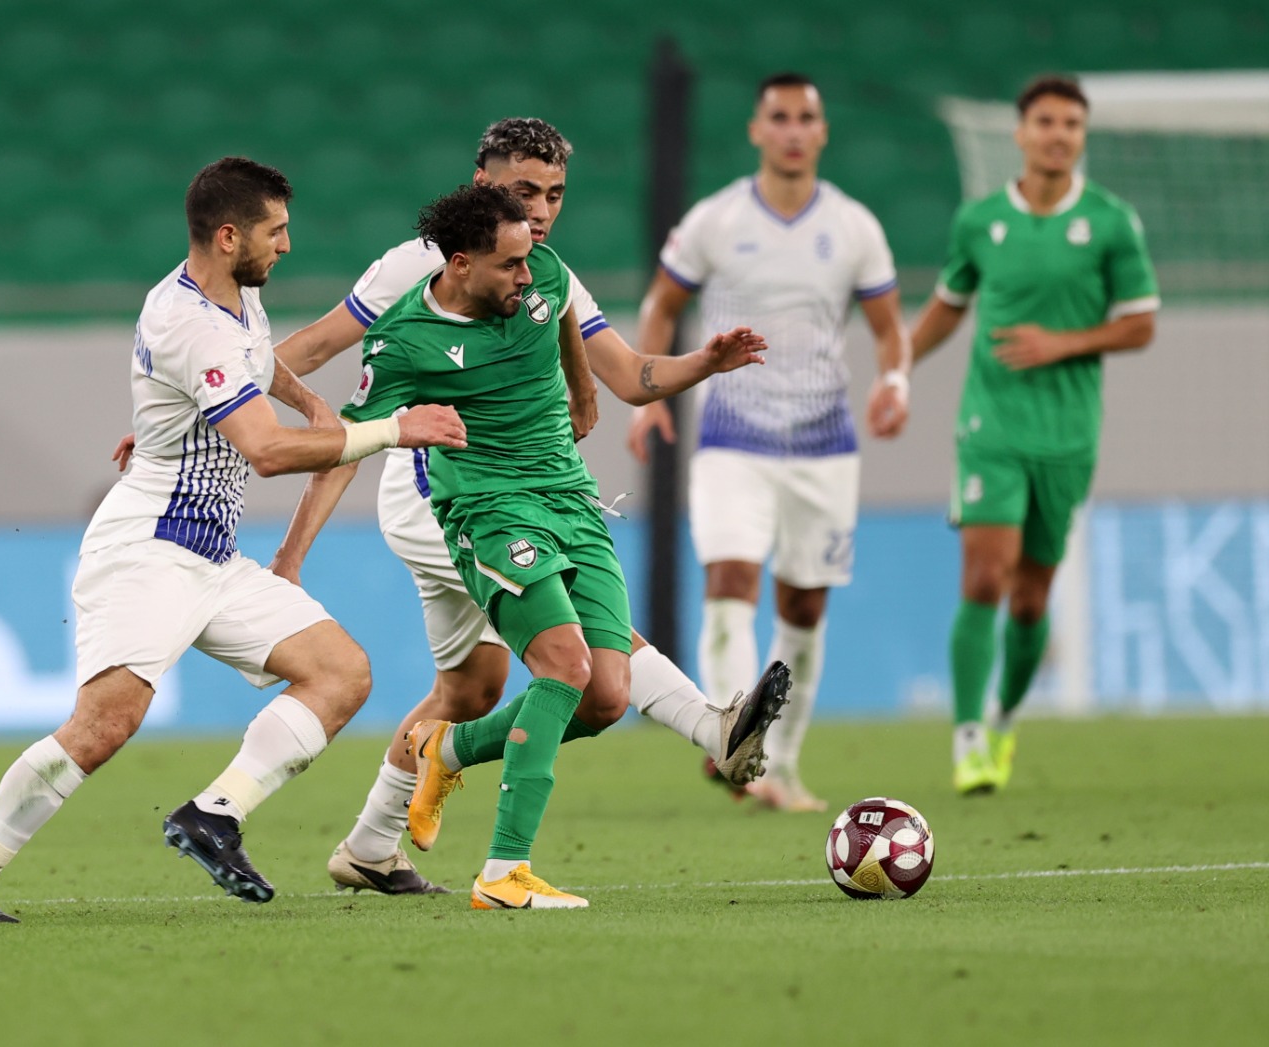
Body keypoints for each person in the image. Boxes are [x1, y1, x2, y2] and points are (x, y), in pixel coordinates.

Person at [0, 157, 466, 923]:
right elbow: (265, 451)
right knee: (103, 725)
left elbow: (257, 365)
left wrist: (309, 403)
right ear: (228, 235)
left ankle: (215, 813)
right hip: (148, 549)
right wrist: (391, 430)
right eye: (275, 232)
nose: (286, 246)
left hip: (211, 554)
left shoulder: (235, 299)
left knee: (340, 672)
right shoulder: (190, 325)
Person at [261, 118, 791, 895]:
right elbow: (316, 354)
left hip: (539, 487)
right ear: (482, 184)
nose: (540, 212)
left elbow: (617, 367)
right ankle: (706, 725)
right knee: (567, 655)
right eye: (523, 192)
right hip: (443, 495)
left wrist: (597, 378)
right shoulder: (415, 268)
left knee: (476, 690)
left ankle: (372, 842)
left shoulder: (537, 265)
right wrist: (217, 403)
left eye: (554, 195)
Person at [629, 73, 912, 812]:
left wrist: (895, 381)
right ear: (757, 130)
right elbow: (661, 303)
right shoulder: (716, 219)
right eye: (778, 117)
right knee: (729, 580)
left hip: (823, 443)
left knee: (804, 606)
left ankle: (780, 767)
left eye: (804, 118)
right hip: (732, 437)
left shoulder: (853, 227)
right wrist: (647, 396)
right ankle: (734, 740)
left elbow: (890, 329)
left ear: (822, 132)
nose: (792, 130)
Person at [909, 75, 1158, 794]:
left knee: (1030, 598)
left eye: (1071, 124)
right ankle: (965, 738)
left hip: (1068, 434)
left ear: (1082, 136)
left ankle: (1004, 719)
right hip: (990, 426)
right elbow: (949, 303)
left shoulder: (1111, 221)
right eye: (1046, 122)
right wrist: (896, 369)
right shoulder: (980, 220)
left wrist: (1063, 343)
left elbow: (1141, 322)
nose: (1058, 135)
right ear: (1020, 133)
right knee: (986, 577)